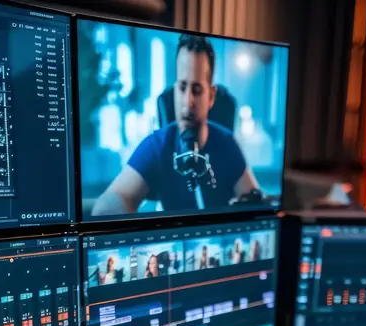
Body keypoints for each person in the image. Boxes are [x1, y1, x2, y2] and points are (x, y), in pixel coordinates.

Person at [91, 34, 261, 216]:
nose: (187, 102)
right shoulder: (157, 146)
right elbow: (106, 207)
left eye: (196, 90)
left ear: (211, 96)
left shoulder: (227, 143)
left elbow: (253, 202)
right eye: (182, 88)